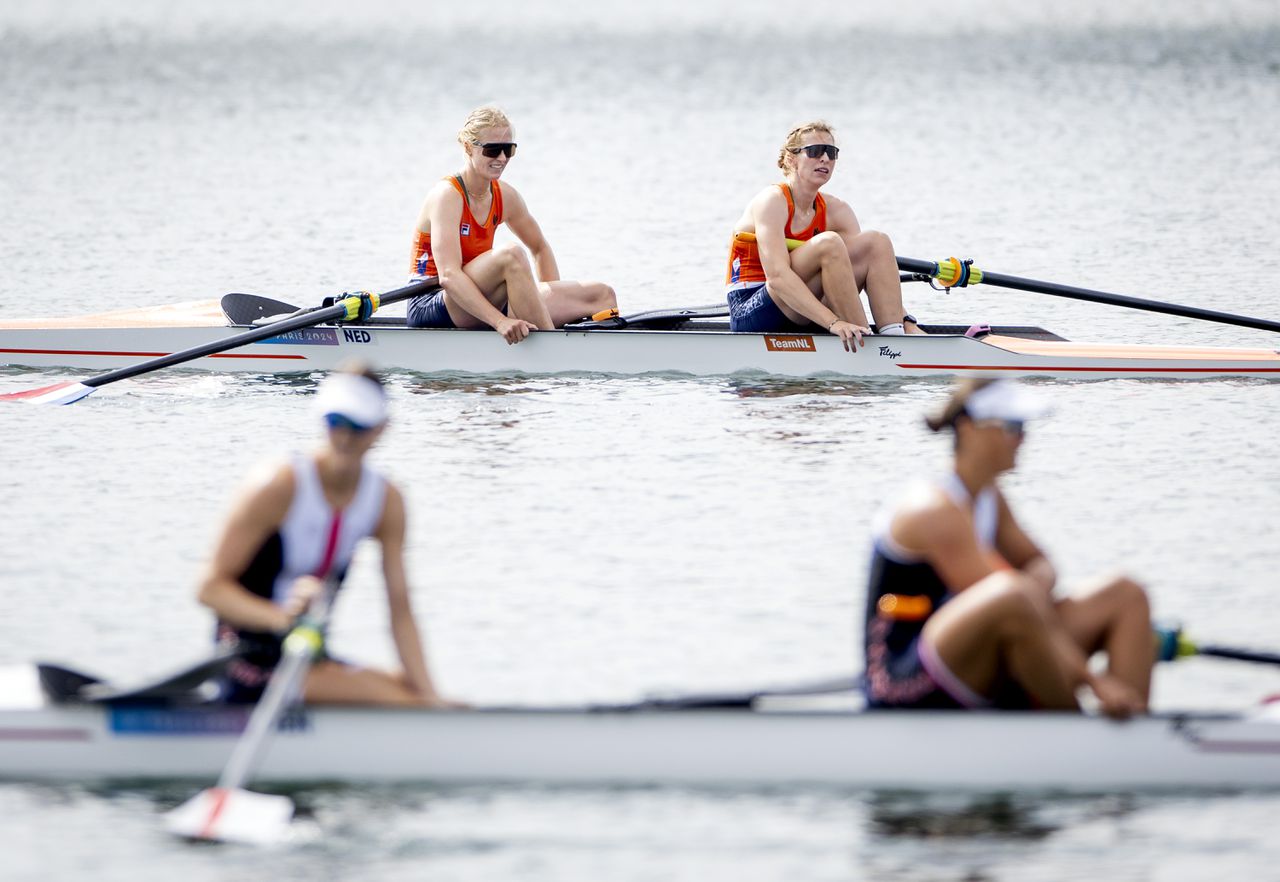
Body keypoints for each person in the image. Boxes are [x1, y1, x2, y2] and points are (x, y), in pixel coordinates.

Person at [863, 378, 1154, 719]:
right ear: (969, 428)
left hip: (980, 652)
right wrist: (1093, 680)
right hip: (902, 680)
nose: (1023, 438)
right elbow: (1011, 597)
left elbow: (1041, 565)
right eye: (1012, 427)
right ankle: (1078, 736)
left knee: (1125, 594)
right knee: (1011, 596)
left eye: (1024, 427)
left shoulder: (989, 497)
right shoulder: (933, 510)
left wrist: (1031, 590)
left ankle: (1134, 727)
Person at [197, 363, 454, 707]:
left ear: (381, 429)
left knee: (409, 690)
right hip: (246, 660)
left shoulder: (386, 501)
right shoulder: (278, 485)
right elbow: (209, 589)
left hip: (307, 656)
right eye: (336, 422)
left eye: (358, 426)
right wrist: (282, 619)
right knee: (403, 701)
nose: (345, 438)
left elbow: (400, 610)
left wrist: (432, 698)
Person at [407, 105, 617, 345]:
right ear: (468, 148)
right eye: (493, 150)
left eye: (509, 149)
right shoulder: (447, 196)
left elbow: (539, 248)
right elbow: (449, 275)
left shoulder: (506, 196)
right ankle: (556, 352)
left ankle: (554, 338)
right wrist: (500, 321)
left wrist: (535, 302)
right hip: (434, 304)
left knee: (602, 295)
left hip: (486, 296)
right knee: (511, 254)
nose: (502, 159)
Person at [725, 120, 925, 351]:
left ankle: (896, 338)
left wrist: (908, 322)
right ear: (791, 159)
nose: (825, 159)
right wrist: (834, 322)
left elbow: (863, 275)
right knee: (829, 244)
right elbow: (778, 278)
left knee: (876, 242)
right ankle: (872, 348)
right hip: (752, 310)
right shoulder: (771, 201)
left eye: (831, 152)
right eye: (815, 151)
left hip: (804, 309)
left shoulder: (837, 210)